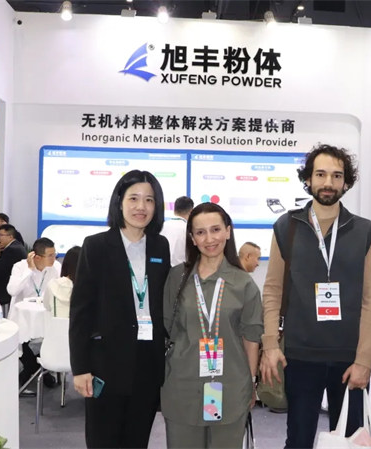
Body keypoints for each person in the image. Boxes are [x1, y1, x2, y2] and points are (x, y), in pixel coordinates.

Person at [259, 144, 371, 448]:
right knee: (298, 440)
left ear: (346, 182)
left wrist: (365, 360)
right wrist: (270, 344)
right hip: (301, 355)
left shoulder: (365, 232)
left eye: (337, 175)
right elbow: (273, 289)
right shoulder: (287, 227)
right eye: (321, 174)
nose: (328, 182)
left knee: (351, 442)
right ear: (308, 179)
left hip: (349, 357)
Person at [69, 170, 170, 448]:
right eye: (133, 198)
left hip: (147, 363)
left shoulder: (160, 245)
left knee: (137, 441)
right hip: (106, 364)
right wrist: (80, 368)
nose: (141, 206)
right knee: (103, 441)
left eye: (149, 200)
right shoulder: (96, 246)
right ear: (119, 202)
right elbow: (81, 311)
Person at [161, 202, 263, 448]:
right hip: (182, 385)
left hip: (230, 386)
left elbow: (251, 338)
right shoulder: (177, 277)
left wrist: (251, 383)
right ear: (192, 238)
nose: (209, 239)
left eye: (216, 230)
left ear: (228, 231)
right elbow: (168, 328)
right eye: (200, 232)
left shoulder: (244, 283)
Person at [7, 237, 61, 388]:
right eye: (50, 255)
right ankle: (35, 369)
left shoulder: (56, 267)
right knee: (23, 341)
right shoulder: (20, 267)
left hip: (45, 315)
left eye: (54, 254)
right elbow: (12, 290)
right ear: (36, 257)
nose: (54, 258)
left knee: (49, 340)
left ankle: (32, 370)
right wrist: (29, 271)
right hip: (23, 317)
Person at [42, 246, 81, 318]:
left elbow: (46, 306)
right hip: (78, 325)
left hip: (56, 324)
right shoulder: (88, 287)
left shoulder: (53, 284)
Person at [161, 196, 194, 266]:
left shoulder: (161, 226)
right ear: (191, 211)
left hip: (161, 268)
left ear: (174, 210)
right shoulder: (189, 229)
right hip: (180, 270)